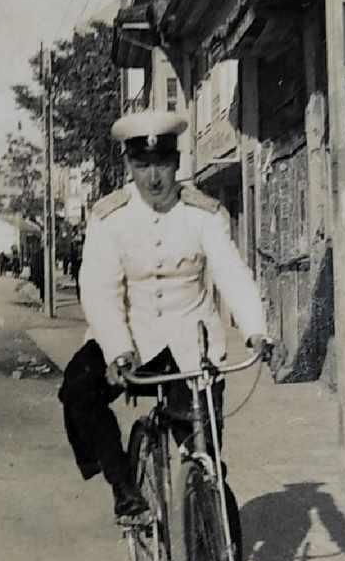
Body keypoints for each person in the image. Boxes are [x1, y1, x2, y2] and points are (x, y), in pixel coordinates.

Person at [59, 110, 277, 524]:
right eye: (142, 165)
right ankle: (124, 489)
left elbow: (230, 271)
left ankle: (210, 532)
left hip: (191, 347)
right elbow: (100, 289)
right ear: (128, 165)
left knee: (203, 455)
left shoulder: (205, 214)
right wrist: (117, 350)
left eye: (162, 164)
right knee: (77, 390)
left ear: (177, 164)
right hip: (130, 340)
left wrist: (255, 329)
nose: (153, 177)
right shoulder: (110, 217)